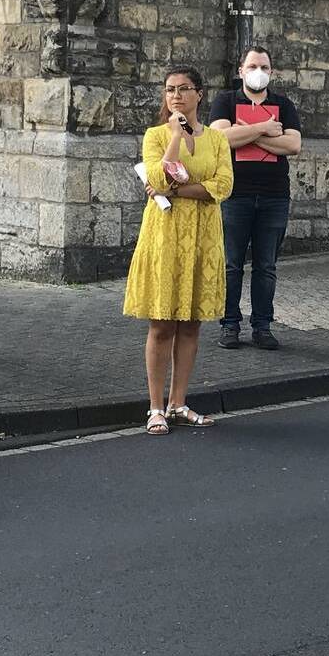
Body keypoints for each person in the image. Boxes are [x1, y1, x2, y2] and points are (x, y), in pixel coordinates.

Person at [125, 66, 231, 435]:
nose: (176, 96)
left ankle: (178, 402)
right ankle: (155, 407)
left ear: (200, 94)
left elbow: (222, 185)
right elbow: (157, 177)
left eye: (184, 89)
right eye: (170, 89)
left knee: (190, 325)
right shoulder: (156, 135)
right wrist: (175, 133)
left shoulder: (217, 140)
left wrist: (175, 191)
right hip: (166, 235)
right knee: (161, 324)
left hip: (203, 235)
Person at [208, 45, 301, 350]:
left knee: (266, 266)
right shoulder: (225, 101)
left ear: (271, 72)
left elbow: (293, 146)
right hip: (235, 195)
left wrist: (247, 133)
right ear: (241, 71)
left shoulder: (284, 105)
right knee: (231, 264)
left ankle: (262, 326)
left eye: (264, 67)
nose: (258, 72)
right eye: (252, 66)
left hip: (274, 196)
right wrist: (265, 129)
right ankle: (230, 325)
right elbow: (219, 139)